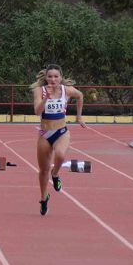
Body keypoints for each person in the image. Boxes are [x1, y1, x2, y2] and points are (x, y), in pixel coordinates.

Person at [32, 64, 86, 216]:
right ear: (46, 78)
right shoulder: (39, 90)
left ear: (61, 78)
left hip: (61, 131)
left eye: (56, 76)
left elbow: (80, 95)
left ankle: (55, 174)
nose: (53, 79)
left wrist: (79, 116)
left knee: (60, 155)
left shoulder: (66, 90)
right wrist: (46, 98)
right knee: (43, 170)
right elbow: (37, 112)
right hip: (44, 133)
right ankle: (44, 198)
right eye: (50, 76)